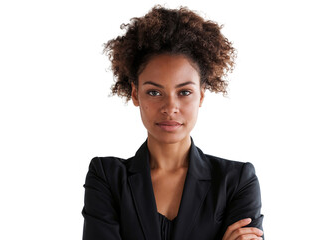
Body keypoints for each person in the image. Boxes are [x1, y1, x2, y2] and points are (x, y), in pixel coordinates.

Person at [82, 5, 264, 240]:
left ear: (202, 94)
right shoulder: (107, 178)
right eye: (154, 93)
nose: (170, 108)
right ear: (135, 94)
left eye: (184, 92)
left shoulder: (237, 182)